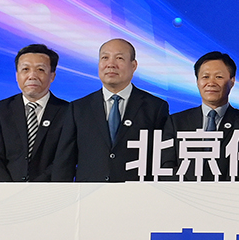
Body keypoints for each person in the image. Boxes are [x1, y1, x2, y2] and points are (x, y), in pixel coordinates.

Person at [61, 38, 170, 182]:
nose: (111, 64)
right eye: (105, 58)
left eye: (119, 58)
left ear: (134, 65)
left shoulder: (155, 107)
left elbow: (163, 158)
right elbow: (64, 161)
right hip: (90, 192)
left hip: (137, 191)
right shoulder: (78, 108)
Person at [0, 44, 69, 182]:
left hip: (50, 190)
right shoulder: (1, 109)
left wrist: (35, 187)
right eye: (25, 69)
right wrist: (6, 188)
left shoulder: (67, 111)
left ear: (52, 76)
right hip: (6, 191)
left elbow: (65, 157)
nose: (32, 76)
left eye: (40, 69)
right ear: (17, 75)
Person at [163, 51, 239, 180]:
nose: (211, 83)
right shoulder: (176, 122)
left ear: (232, 81)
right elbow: (166, 166)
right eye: (205, 77)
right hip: (183, 191)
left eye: (218, 77)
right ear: (197, 81)